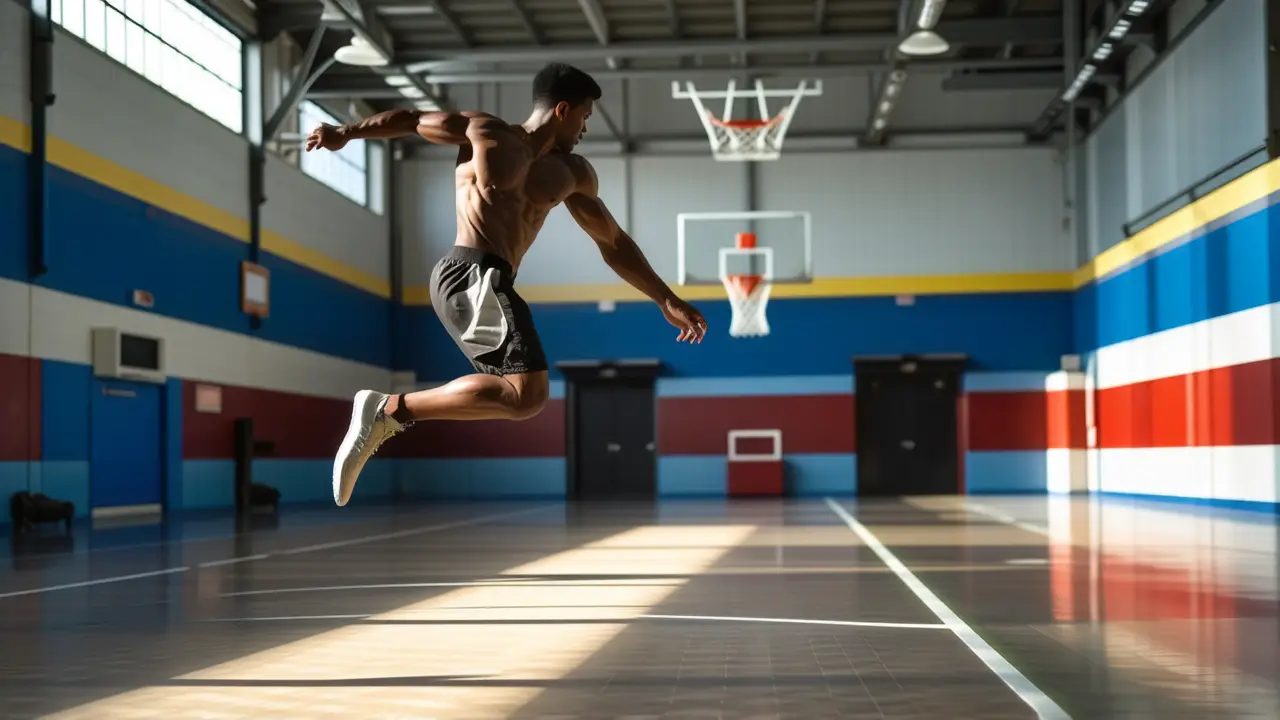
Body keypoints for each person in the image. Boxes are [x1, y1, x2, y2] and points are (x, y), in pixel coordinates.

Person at [306, 63, 709, 507]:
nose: (585, 129)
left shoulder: (573, 172)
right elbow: (410, 119)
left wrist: (665, 298)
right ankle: (387, 410)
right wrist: (345, 132)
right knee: (525, 395)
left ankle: (388, 410)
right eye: (584, 117)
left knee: (523, 398)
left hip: (494, 281)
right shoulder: (484, 133)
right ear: (562, 110)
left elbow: (612, 242)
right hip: (467, 272)